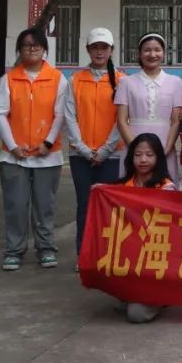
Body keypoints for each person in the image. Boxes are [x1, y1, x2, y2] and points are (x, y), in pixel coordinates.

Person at [0, 28, 69, 271]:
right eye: (26, 45)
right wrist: (13, 146)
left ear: (44, 49)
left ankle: (46, 248)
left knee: (45, 206)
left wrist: (47, 143)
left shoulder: (58, 79)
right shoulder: (8, 80)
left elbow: (61, 115)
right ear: (19, 50)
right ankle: (14, 250)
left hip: (48, 156)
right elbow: (0, 114)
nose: (32, 49)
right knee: (15, 205)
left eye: (36, 45)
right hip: (13, 157)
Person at [64, 27, 126, 263]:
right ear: (87, 50)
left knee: (108, 206)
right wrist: (82, 148)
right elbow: (69, 116)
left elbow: (122, 119)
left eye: (104, 47)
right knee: (84, 205)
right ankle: (84, 255)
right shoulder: (75, 80)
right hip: (80, 156)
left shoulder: (122, 81)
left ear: (111, 50)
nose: (99, 52)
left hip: (111, 156)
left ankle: (106, 255)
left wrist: (105, 150)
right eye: (95, 47)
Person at [114, 133, 175, 323]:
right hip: (130, 258)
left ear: (158, 158)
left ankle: (164, 295)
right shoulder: (121, 186)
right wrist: (100, 191)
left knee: (136, 314)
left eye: (149, 155)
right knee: (120, 300)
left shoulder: (166, 188)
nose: (143, 160)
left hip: (155, 259)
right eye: (138, 154)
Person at [114, 33, 182, 183]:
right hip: (133, 143)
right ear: (139, 54)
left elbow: (176, 121)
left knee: (164, 189)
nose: (152, 54)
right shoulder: (126, 82)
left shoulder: (176, 82)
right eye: (147, 50)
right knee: (133, 188)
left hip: (165, 145)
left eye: (157, 50)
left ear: (164, 53)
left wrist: (164, 151)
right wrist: (136, 150)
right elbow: (121, 120)